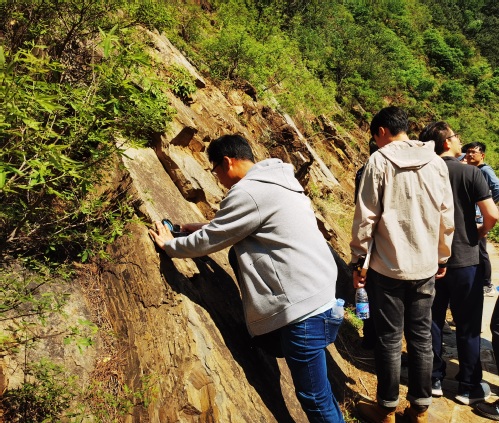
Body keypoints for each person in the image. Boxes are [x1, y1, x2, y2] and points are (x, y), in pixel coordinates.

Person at [149, 134, 345, 423]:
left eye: (215, 170)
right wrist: (205, 226)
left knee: (315, 398)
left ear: (227, 162)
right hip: (323, 298)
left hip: (303, 312)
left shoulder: (248, 192)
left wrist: (170, 246)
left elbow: (213, 239)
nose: (217, 178)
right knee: (321, 392)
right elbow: (252, 226)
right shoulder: (278, 181)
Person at [351, 107, 455, 423]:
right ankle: (419, 410)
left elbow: (366, 217)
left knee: (389, 338)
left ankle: (385, 409)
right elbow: (446, 214)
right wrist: (442, 255)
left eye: (375, 135)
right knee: (421, 337)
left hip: (387, 267)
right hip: (425, 266)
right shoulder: (436, 163)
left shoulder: (378, 161)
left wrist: (359, 260)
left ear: (382, 131)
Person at [419, 123, 499, 406]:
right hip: (465, 259)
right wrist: (478, 233)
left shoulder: (421, 172)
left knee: (432, 322)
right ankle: (468, 386)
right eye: (455, 137)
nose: (459, 141)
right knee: (467, 325)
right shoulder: (470, 173)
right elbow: (491, 215)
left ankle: (433, 379)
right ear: (445, 143)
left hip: (429, 260)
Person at [463, 142, 499, 296]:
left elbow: (497, 188)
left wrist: (486, 206)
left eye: (474, 152)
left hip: (479, 218)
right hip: (473, 216)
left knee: (481, 251)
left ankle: (487, 285)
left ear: (482, 155)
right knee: (476, 251)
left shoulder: (485, 170)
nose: (470, 155)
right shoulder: (471, 169)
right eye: (468, 152)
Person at [354, 138, 378, 350]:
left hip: (368, 239)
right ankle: (375, 338)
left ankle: (369, 336)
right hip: (383, 242)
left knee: (368, 290)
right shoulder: (380, 171)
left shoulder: (363, 171)